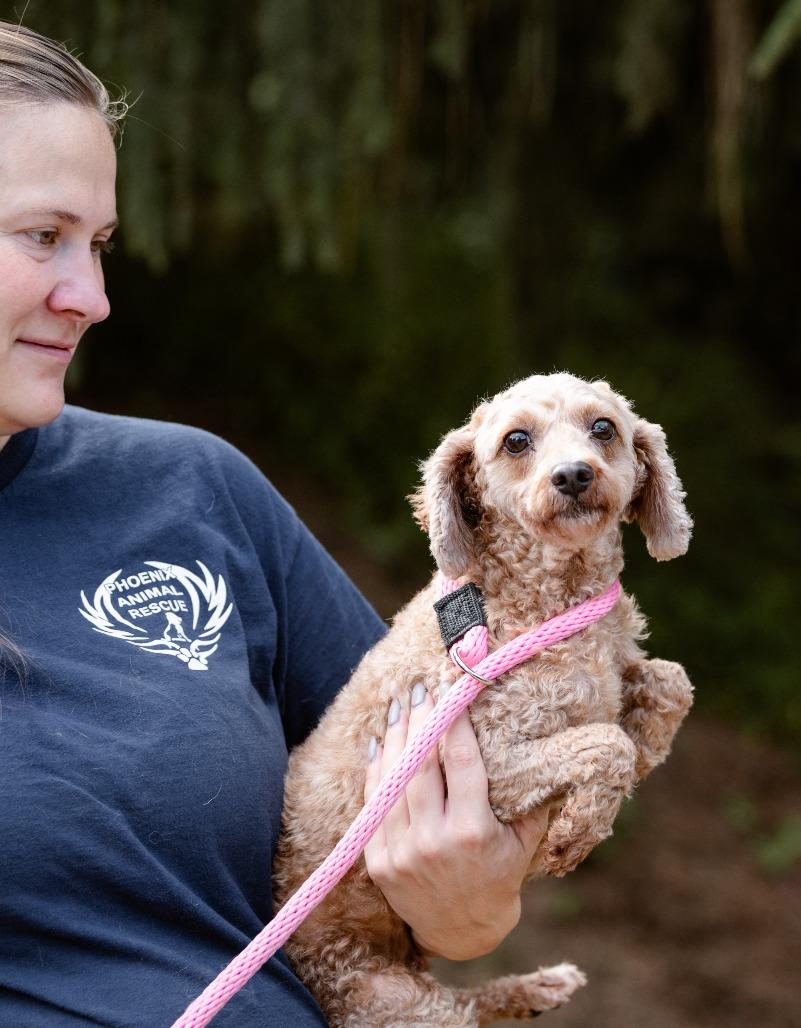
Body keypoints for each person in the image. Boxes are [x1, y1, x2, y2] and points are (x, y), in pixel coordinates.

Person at [0, 20, 547, 1027]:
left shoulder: (194, 489)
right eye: (45, 236)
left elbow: (437, 777)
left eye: (100, 243)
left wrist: (472, 899)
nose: (93, 297)